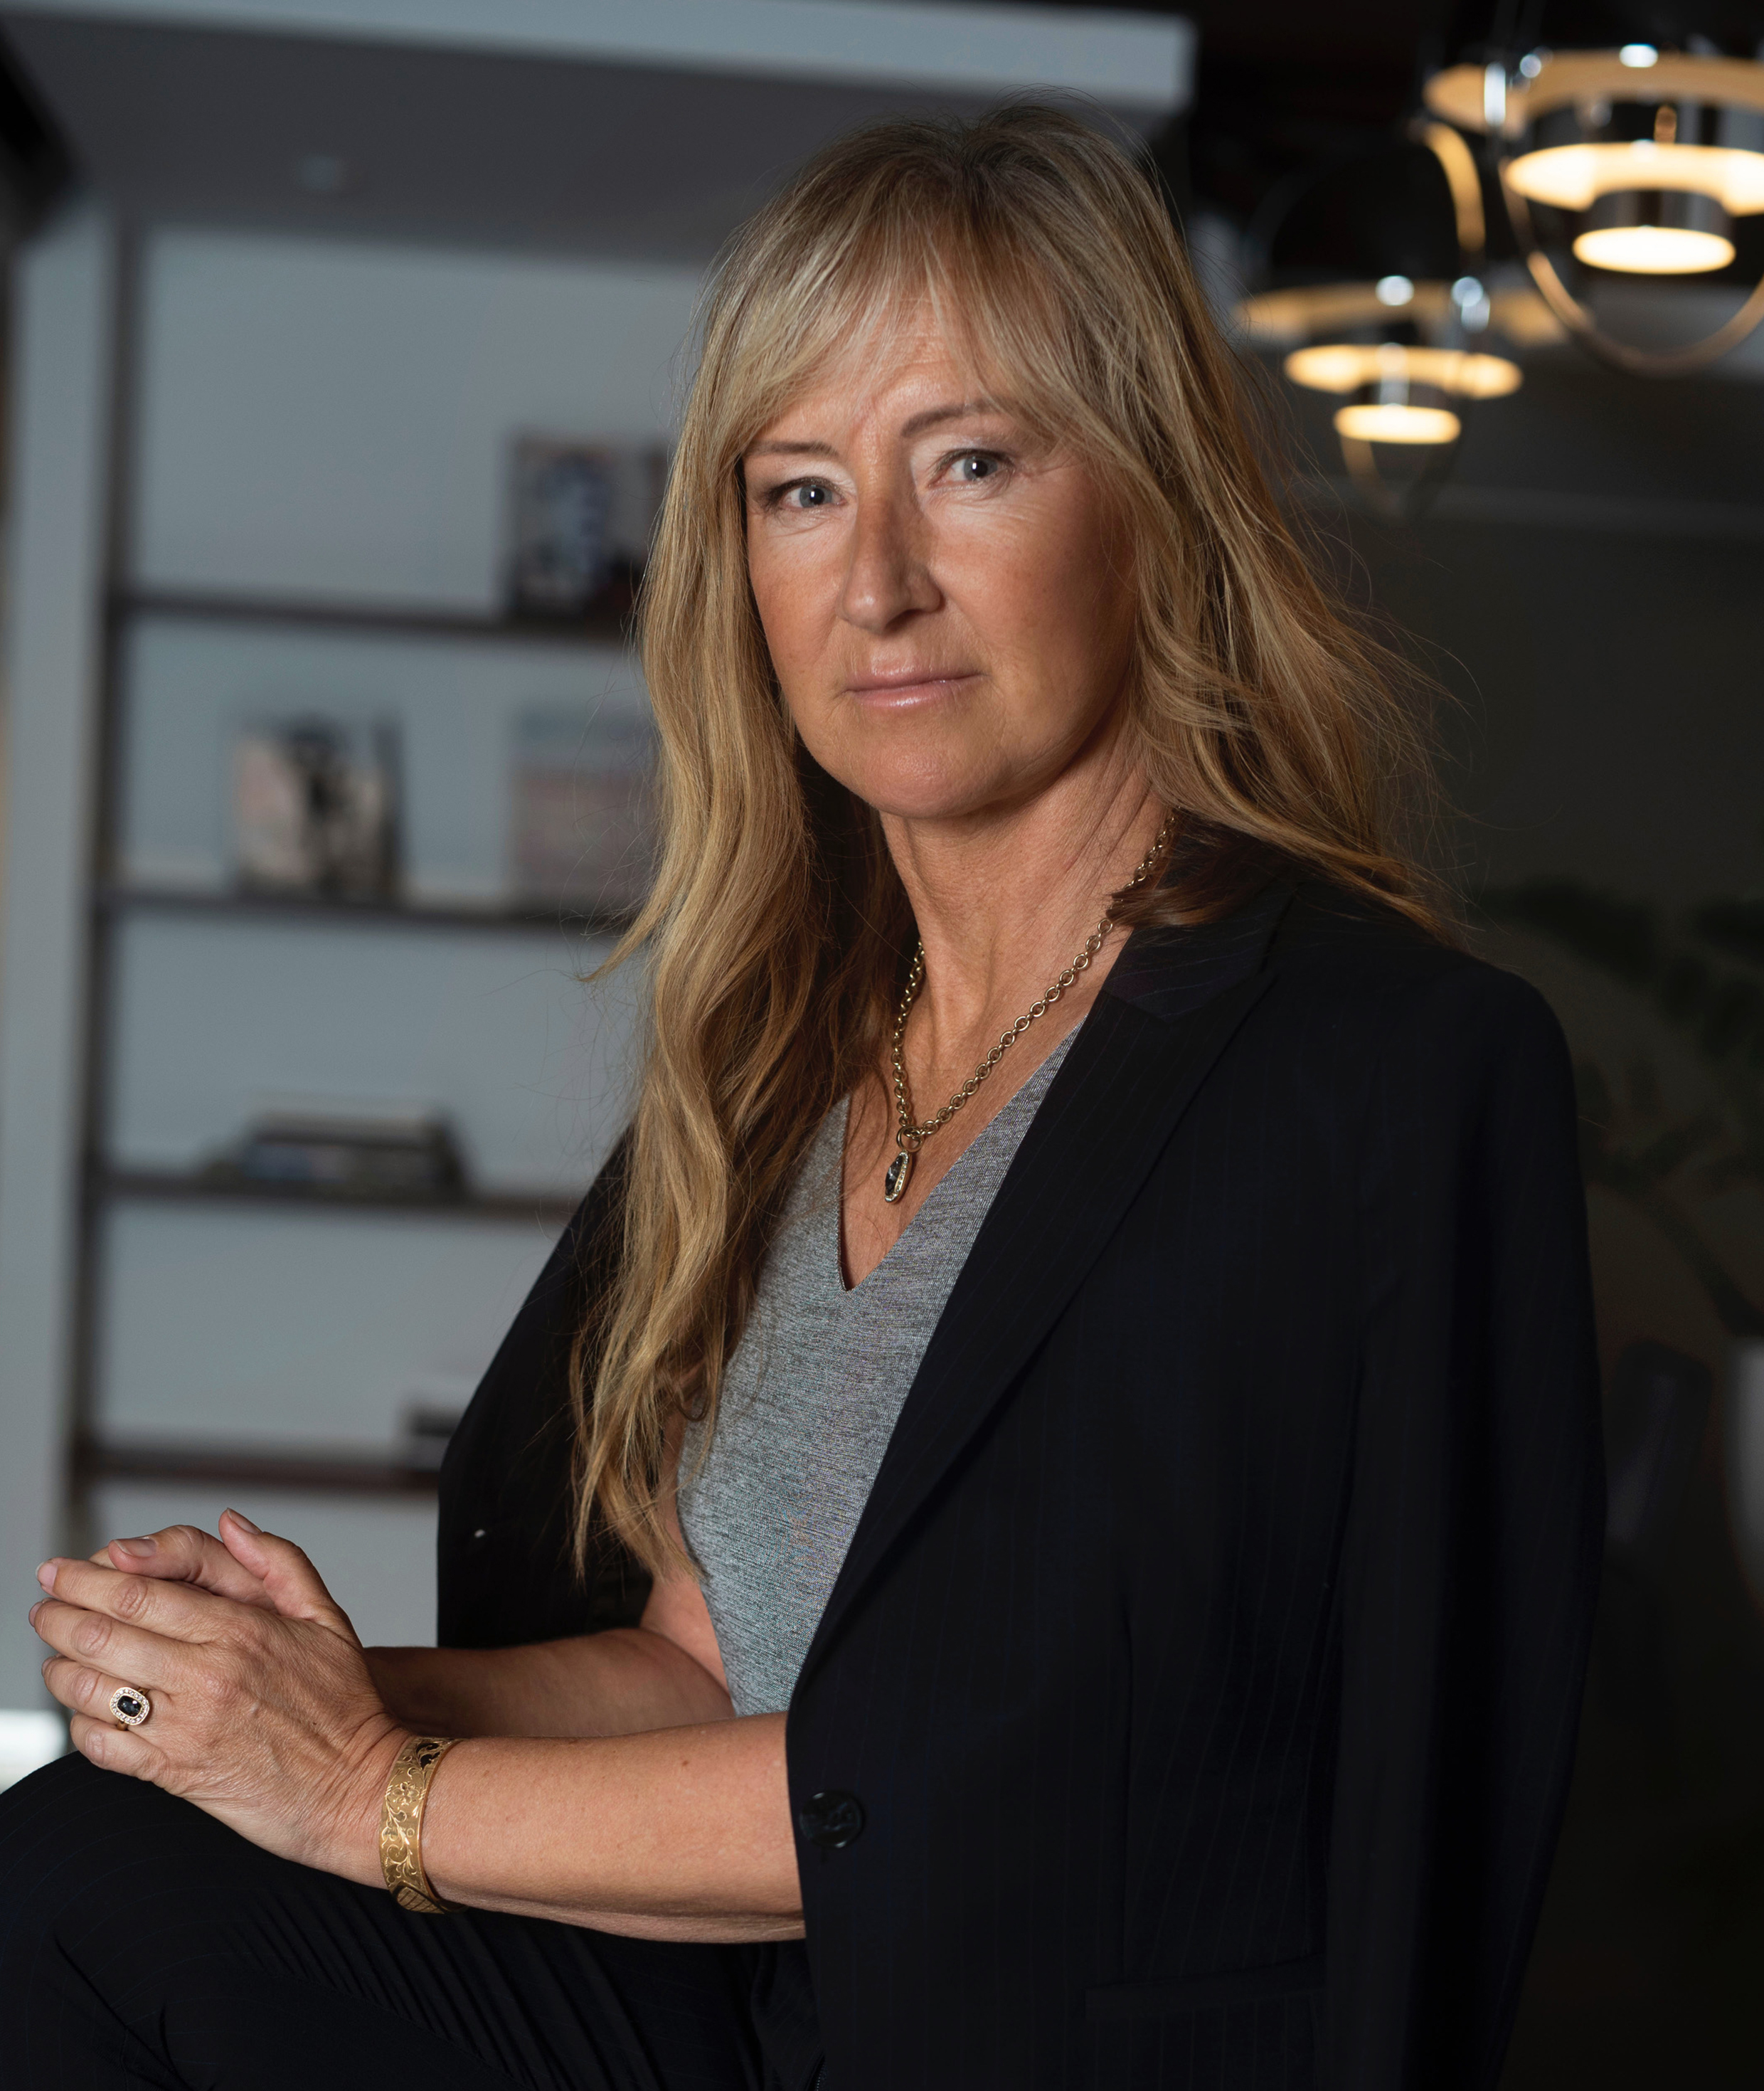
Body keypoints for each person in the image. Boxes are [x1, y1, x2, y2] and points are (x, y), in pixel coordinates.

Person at [0, 105, 1603, 2091]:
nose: (880, 583)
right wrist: (274, 1697)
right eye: (804, 490)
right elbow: (704, 1665)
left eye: (973, 462)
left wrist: (369, 1791)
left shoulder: (1381, 1074)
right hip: (754, 2027)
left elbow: (1050, 1780)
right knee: (77, 1858)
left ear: (1155, 503)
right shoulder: (795, 1059)